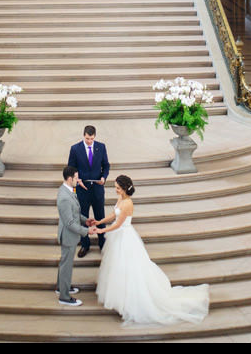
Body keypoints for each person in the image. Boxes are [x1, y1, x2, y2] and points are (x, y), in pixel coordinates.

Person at [90, 175, 209, 324]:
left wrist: (101, 231)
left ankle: (130, 303)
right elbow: (114, 215)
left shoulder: (128, 203)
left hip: (125, 236)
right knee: (118, 268)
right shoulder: (121, 198)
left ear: (125, 188)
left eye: (118, 188)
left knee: (130, 269)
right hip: (118, 237)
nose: (115, 190)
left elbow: (118, 224)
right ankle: (121, 301)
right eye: (115, 187)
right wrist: (100, 221)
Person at [56, 165, 96, 307]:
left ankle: (61, 287)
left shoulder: (68, 190)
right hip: (68, 236)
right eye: (76, 178)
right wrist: (87, 231)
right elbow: (70, 223)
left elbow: (74, 214)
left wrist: (86, 220)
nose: (78, 180)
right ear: (69, 178)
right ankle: (64, 297)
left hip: (69, 234)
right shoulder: (64, 197)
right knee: (67, 265)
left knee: (64, 262)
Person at [68, 125, 110, 258]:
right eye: (87, 138)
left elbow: (106, 165)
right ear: (83, 135)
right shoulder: (75, 149)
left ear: (95, 136)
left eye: (91, 139)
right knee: (83, 218)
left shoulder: (101, 147)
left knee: (100, 216)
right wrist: (77, 180)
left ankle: (102, 243)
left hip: (97, 188)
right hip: (82, 189)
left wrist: (104, 177)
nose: (89, 141)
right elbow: (70, 168)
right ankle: (85, 245)